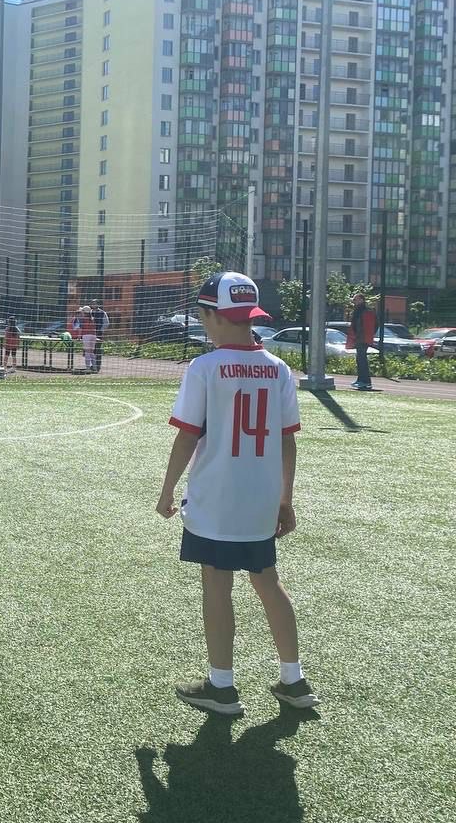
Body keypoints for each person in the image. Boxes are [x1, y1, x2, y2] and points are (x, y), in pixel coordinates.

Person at [157, 271, 318, 717]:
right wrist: (285, 498)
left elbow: (187, 436)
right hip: (261, 499)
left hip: (216, 499)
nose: (201, 324)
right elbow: (287, 440)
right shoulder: (278, 368)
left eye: (202, 316)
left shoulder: (205, 367)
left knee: (216, 583)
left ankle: (222, 687)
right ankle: (294, 679)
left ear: (214, 316)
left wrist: (167, 489)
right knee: (267, 581)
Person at [346, 292, 376, 391]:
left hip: (363, 339)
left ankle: (365, 381)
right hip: (360, 338)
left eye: (355, 299)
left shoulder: (365, 311)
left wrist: (364, 336)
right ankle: (361, 380)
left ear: (362, 300)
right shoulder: (358, 311)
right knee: (360, 359)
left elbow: (371, 326)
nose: (354, 301)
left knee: (362, 359)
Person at [73, 305, 98, 372]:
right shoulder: (92, 318)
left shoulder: (82, 319)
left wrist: (79, 337)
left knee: (87, 352)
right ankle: (95, 368)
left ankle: (88, 368)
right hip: (93, 336)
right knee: (92, 352)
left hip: (86, 335)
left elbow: (80, 329)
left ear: (84, 312)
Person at [90, 298, 111, 372]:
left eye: (95, 303)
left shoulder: (102, 313)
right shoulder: (89, 312)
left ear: (98, 304)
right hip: (90, 333)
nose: (93, 305)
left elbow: (106, 323)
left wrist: (100, 330)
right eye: (92, 303)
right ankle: (92, 366)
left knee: (97, 349)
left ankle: (97, 366)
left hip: (98, 333)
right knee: (91, 350)